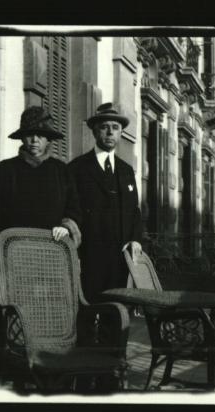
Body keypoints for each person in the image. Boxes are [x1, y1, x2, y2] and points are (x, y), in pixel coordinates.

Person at [68, 102, 143, 303]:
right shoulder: (77, 168)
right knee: (87, 311)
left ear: (120, 134)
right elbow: (71, 210)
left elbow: (134, 211)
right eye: (104, 127)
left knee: (117, 312)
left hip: (120, 257)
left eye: (116, 128)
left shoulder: (126, 171)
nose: (110, 132)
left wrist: (135, 239)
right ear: (94, 131)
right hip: (89, 256)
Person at [0, 106, 81, 244]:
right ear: (22, 138)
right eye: (30, 134)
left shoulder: (62, 171)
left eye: (41, 135)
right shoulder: (5, 170)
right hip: (14, 250)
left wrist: (66, 228)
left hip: (52, 248)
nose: (35, 140)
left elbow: (73, 210)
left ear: (48, 139)